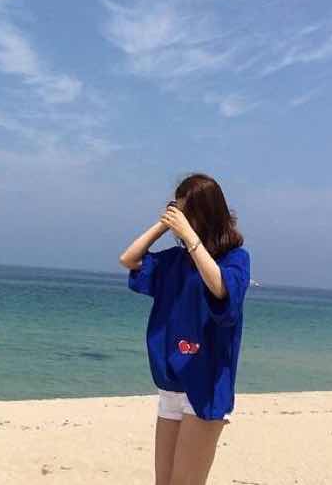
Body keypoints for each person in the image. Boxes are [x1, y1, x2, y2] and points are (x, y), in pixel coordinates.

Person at [119, 172, 251, 485]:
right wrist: (163, 225)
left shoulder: (236, 259)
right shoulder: (175, 261)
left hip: (205, 384)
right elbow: (129, 259)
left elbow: (220, 288)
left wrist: (191, 237)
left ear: (205, 213)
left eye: (186, 211)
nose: (182, 219)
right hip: (172, 385)